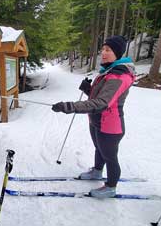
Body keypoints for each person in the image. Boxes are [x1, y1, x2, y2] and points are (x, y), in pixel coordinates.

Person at [52, 35, 135, 198]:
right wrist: (88, 89)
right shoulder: (108, 71)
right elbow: (99, 97)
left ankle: (111, 187)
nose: (103, 53)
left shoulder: (119, 76)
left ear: (117, 53)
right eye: (103, 49)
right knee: (99, 149)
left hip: (110, 125)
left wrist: (70, 106)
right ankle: (97, 172)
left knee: (110, 157)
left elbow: (102, 103)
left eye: (108, 50)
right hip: (97, 121)